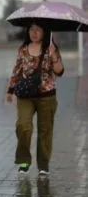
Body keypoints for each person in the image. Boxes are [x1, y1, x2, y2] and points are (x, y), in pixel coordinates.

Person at [6, 23, 64, 176]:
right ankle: (24, 160)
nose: (35, 32)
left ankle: (43, 165)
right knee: (23, 126)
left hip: (47, 96)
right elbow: (16, 70)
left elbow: (59, 71)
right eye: (32, 29)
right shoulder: (23, 49)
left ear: (45, 31)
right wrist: (10, 90)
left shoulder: (51, 49)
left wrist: (53, 55)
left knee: (45, 131)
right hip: (26, 95)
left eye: (38, 29)